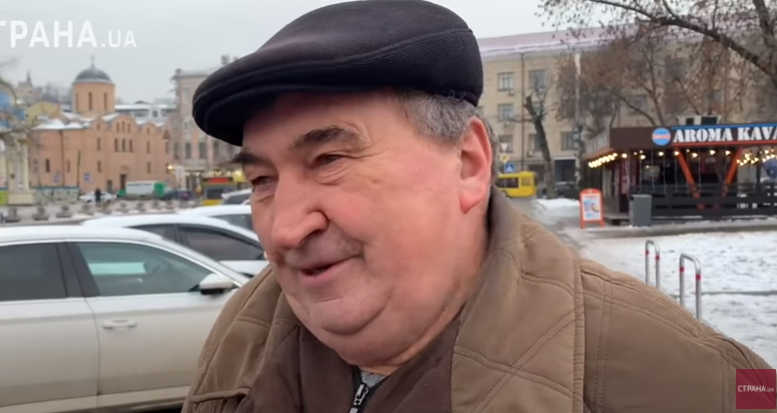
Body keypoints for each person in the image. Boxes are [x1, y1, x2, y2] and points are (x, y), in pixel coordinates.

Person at [183, 1, 774, 412]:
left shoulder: (686, 375)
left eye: (330, 159)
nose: (284, 229)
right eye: (262, 179)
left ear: (467, 163)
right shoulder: (245, 329)